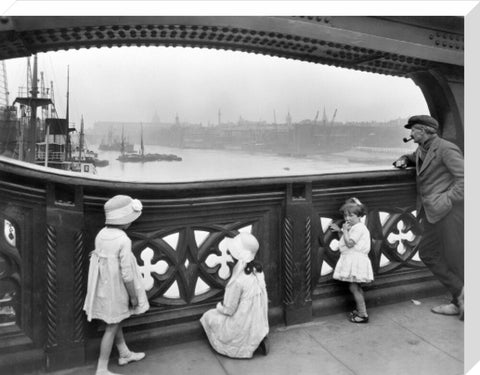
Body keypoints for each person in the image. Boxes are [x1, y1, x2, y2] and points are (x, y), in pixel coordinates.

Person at [393, 115, 464, 320]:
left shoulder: (446, 149)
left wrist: (447, 199)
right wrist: (404, 159)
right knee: (428, 253)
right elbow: (416, 158)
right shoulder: (423, 148)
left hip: (449, 212)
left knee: (454, 257)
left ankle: (460, 300)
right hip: (433, 213)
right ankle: (461, 296)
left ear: (424, 131)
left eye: (414, 129)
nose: (411, 133)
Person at [83, 195, 150, 375]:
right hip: (117, 289)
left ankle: (124, 353)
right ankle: (102, 368)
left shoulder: (101, 234)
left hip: (104, 288)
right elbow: (127, 274)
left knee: (115, 320)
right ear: (125, 221)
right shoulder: (123, 240)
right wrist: (133, 296)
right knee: (112, 326)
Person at [200, 232, 269, 358]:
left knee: (208, 316)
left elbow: (229, 310)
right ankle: (258, 338)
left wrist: (219, 306)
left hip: (241, 324)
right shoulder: (259, 272)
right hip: (258, 321)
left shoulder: (238, 280)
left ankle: (241, 344)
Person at [330, 197, 374, 323]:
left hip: (356, 261)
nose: (347, 218)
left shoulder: (359, 228)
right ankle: (361, 310)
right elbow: (346, 240)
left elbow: (349, 243)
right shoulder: (355, 227)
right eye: (345, 215)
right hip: (354, 259)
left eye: (351, 215)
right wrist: (341, 231)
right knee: (356, 288)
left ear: (359, 215)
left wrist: (344, 230)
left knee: (354, 288)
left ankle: (363, 314)